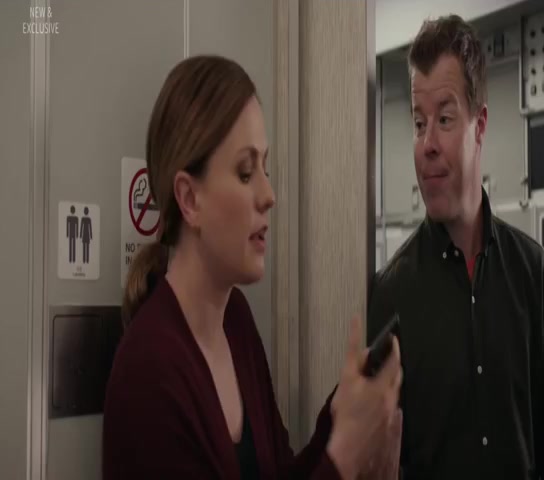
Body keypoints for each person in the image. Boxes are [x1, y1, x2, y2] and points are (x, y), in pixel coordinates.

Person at [102, 55, 403, 479]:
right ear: (189, 199)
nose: (269, 195)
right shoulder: (148, 372)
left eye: (266, 168)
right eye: (246, 173)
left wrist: (339, 419)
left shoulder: (236, 320)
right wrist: (345, 457)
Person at [367, 15, 544, 480]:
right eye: (418, 123)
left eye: (444, 119)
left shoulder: (531, 272)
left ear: (479, 125)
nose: (427, 144)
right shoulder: (390, 294)